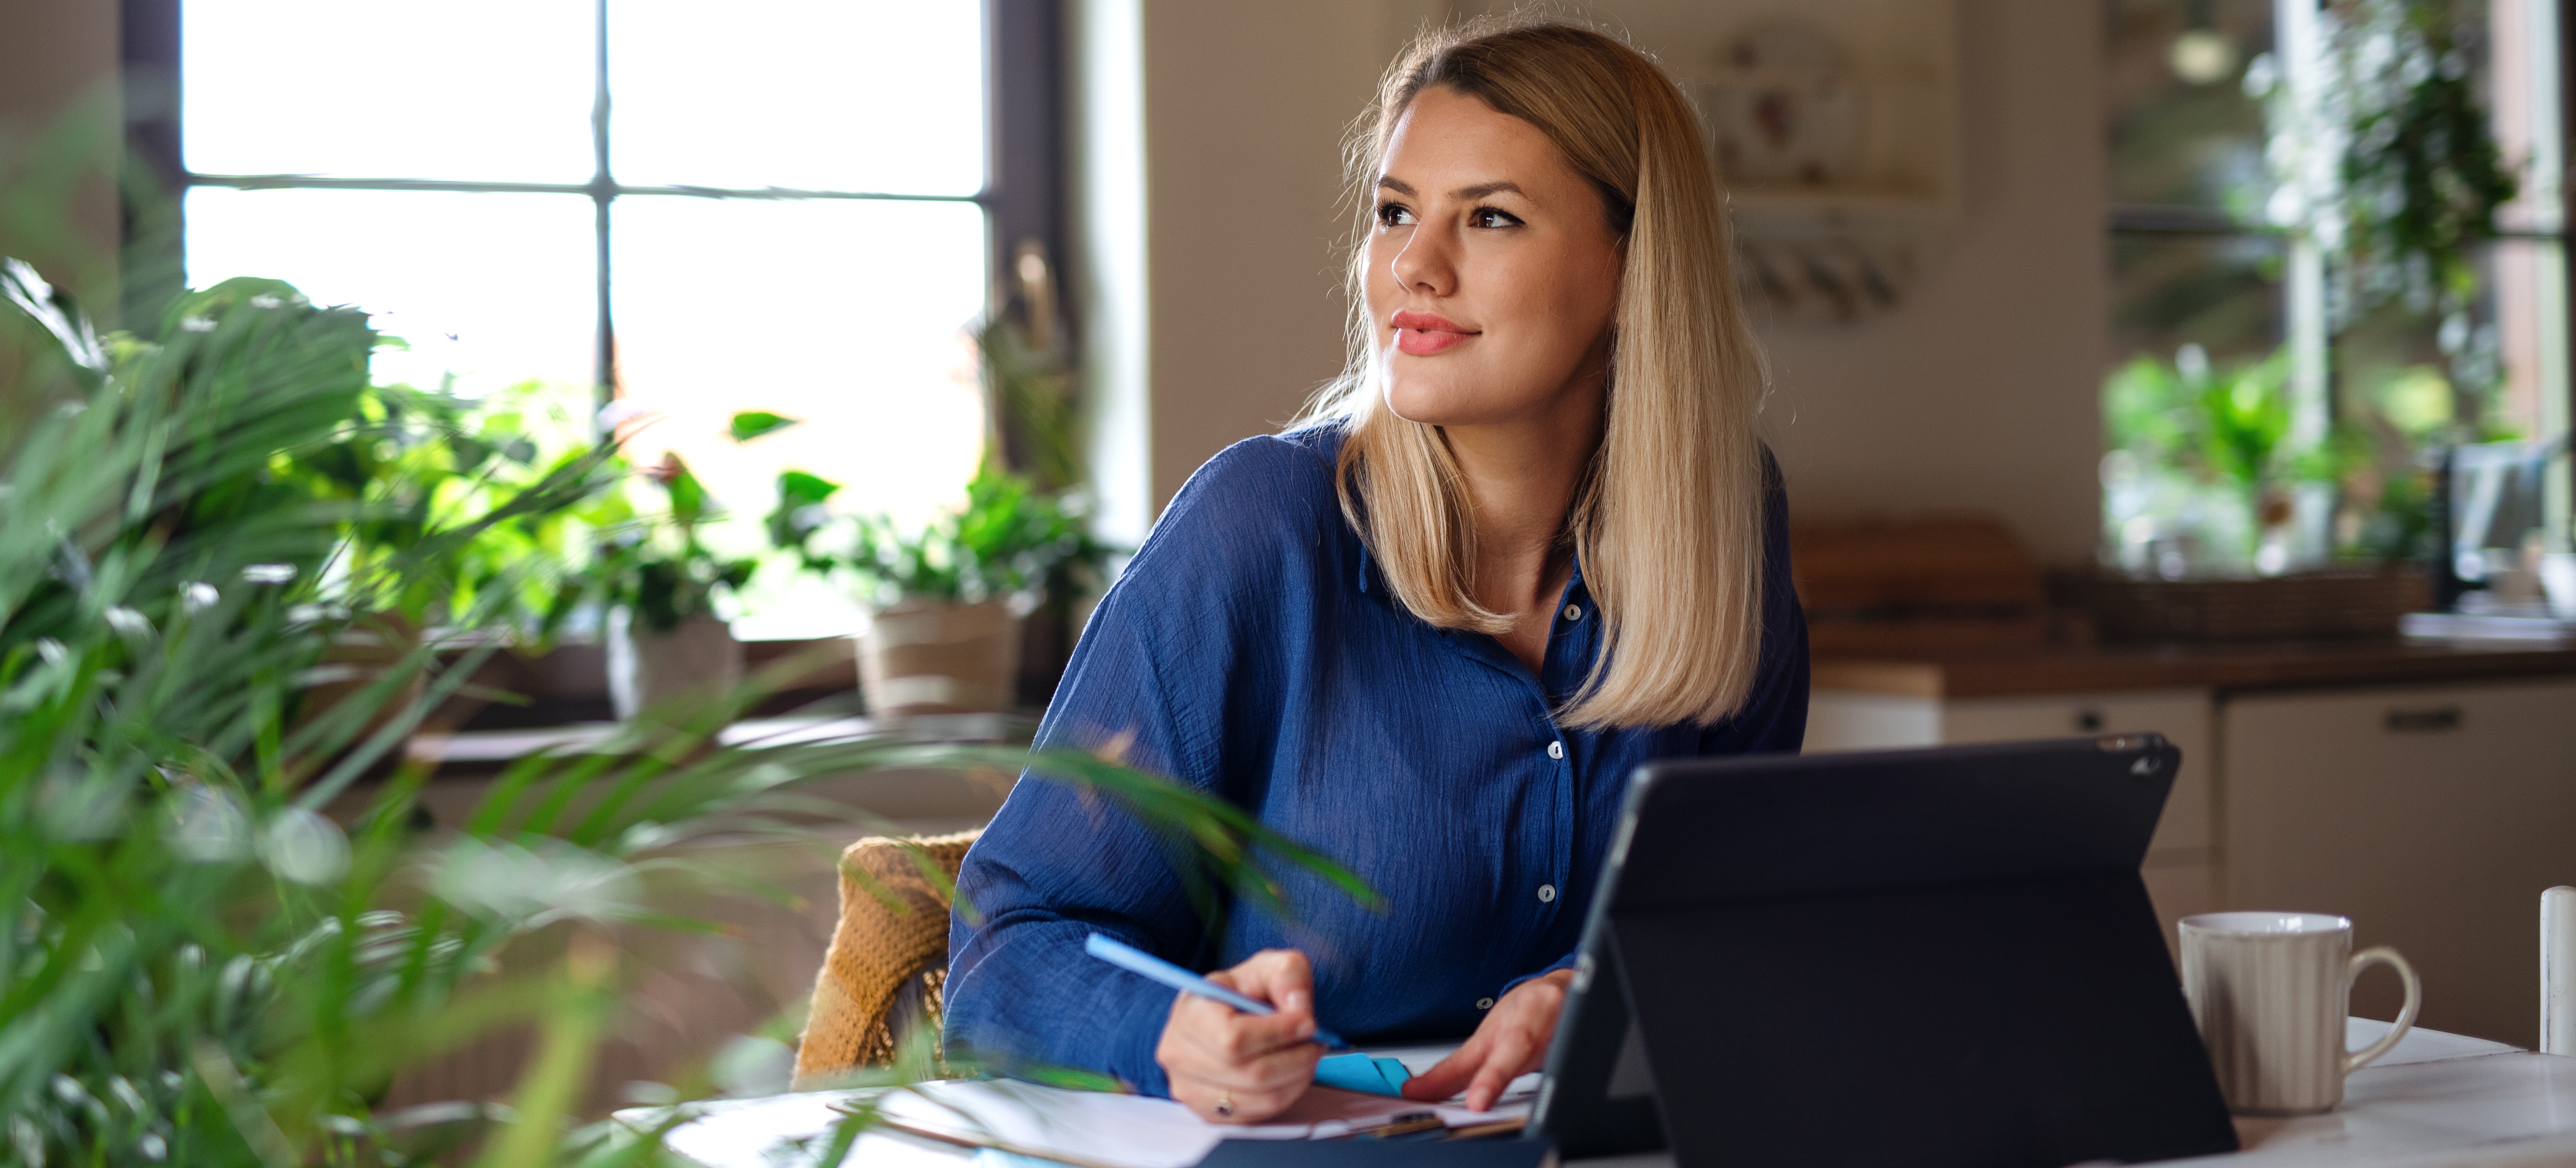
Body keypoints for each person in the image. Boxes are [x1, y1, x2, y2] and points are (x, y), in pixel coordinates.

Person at [942, 16, 1808, 1125]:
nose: (1414, 267)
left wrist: (1596, 990)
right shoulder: (1260, 528)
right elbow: (1004, 956)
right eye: (1396, 212)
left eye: (1489, 217)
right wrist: (1170, 1030)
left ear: (1635, 269)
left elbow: (1744, 917)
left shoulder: (1725, 521)